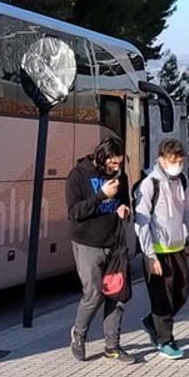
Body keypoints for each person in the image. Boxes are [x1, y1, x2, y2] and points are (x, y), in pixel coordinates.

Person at [66, 137, 134, 363]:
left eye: (119, 164)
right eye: (112, 164)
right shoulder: (79, 175)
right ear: (101, 158)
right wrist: (101, 195)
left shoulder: (120, 177)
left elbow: (124, 202)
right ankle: (79, 333)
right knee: (94, 293)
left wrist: (124, 208)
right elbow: (75, 212)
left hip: (114, 243)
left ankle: (112, 346)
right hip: (87, 243)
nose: (117, 168)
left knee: (117, 294)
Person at [134, 138, 189, 360]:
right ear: (161, 159)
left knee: (182, 291)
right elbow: (141, 222)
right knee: (162, 297)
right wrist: (150, 256)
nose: (177, 164)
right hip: (157, 249)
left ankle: (153, 322)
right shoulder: (149, 184)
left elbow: (187, 214)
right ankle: (165, 340)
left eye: (180, 160)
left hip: (177, 247)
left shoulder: (181, 180)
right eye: (173, 160)